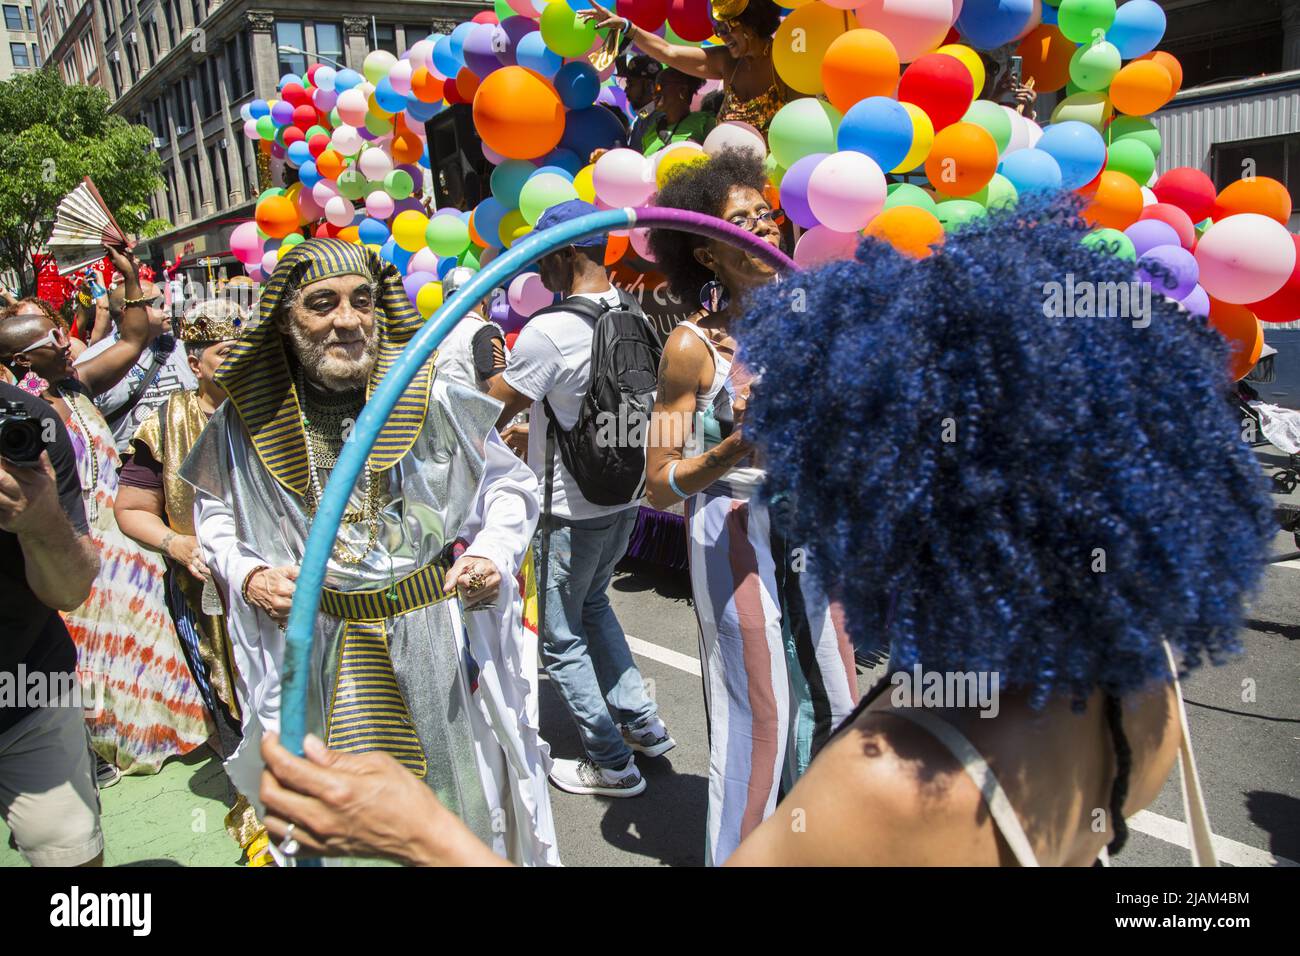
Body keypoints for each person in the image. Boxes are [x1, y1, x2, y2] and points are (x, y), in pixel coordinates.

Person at [257, 197, 1274, 866]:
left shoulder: (887, 780)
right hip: (734, 559)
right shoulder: (1139, 670)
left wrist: (427, 832)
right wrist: (733, 446)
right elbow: (662, 477)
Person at [180, 238, 558, 866]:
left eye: (362, 302)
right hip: (317, 642)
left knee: (455, 805)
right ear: (285, 315)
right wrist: (247, 574)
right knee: (335, 823)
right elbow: (214, 514)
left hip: (431, 631)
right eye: (322, 303)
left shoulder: (429, 396)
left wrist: (491, 552)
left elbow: (509, 487)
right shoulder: (245, 420)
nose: (347, 320)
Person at [644, 149, 859, 864]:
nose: (764, 228)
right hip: (730, 525)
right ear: (707, 250)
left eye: (766, 213)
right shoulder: (692, 347)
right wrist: (737, 446)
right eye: (742, 222)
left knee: (837, 698)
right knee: (761, 712)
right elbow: (658, 482)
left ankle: (818, 844)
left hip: (813, 520)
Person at [486, 199, 674, 799]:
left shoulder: (548, 329)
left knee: (562, 634)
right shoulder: (632, 311)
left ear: (567, 253)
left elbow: (494, 403)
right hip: (623, 499)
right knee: (595, 607)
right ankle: (643, 722)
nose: (537, 272)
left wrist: (483, 361)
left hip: (568, 508)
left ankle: (611, 762)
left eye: (543, 257)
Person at [0, 250, 212, 783]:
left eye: (60, 333)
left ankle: (166, 733)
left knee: (150, 632)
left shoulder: (75, 385)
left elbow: (133, 338)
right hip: (73, 540)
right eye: (50, 341)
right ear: (24, 361)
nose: (65, 344)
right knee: (96, 650)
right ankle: (104, 746)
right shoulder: (20, 418)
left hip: (122, 534)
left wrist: (127, 273)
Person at [111, 299, 272, 863]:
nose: (236, 363)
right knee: (230, 700)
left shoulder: (272, 409)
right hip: (204, 596)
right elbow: (130, 507)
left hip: (274, 584)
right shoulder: (166, 422)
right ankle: (258, 818)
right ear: (197, 363)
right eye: (223, 354)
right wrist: (174, 543)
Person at [0, 381, 103, 866]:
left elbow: (70, 591)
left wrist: (40, 520)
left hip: (25, 692)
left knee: (72, 856)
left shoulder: (24, 423)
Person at [585, 0, 789, 132]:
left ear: (751, 22)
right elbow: (668, 52)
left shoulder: (782, 62)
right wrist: (627, 27)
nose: (722, 37)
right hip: (728, 178)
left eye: (726, 28)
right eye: (718, 30)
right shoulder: (727, 61)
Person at [74, 270, 197, 454]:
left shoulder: (183, 349)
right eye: (157, 304)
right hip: (128, 474)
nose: (166, 309)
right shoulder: (93, 361)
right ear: (129, 310)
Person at [431, 266, 507, 393]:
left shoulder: (432, 336)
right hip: (476, 412)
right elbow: (498, 384)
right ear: (483, 298)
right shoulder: (483, 331)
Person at [638, 68, 716, 156]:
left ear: (683, 91)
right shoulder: (651, 130)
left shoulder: (705, 123)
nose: (654, 93)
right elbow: (641, 114)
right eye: (654, 87)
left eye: (660, 87)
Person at [616, 53, 664, 149]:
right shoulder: (641, 117)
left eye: (630, 84)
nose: (626, 90)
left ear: (648, 85)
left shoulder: (662, 119)